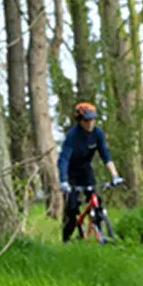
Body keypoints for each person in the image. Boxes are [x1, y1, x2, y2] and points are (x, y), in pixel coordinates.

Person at [58, 102, 122, 242]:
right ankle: (66, 240)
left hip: (86, 170)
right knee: (72, 207)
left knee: (96, 200)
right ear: (80, 121)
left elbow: (105, 155)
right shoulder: (72, 135)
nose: (90, 124)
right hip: (70, 173)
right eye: (86, 121)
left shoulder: (98, 133)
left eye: (92, 120)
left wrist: (115, 175)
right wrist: (63, 181)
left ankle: (100, 233)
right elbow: (64, 159)